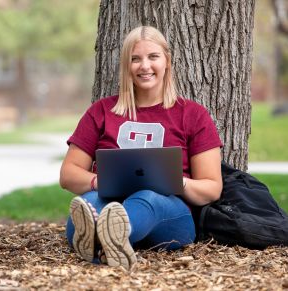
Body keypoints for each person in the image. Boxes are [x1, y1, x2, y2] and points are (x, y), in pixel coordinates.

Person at [59, 26, 223, 270]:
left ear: (167, 60)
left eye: (153, 57)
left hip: (169, 214)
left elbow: (212, 188)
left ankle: (104, 239)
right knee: (90, 202)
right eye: (135, 59)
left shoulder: (192, 114)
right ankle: (110, 245)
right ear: (127, 66)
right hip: (110, 201)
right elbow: (68, 175)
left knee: (146, 197)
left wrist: (177, 181)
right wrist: (99, 182)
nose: (144, 66)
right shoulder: (102, 111)